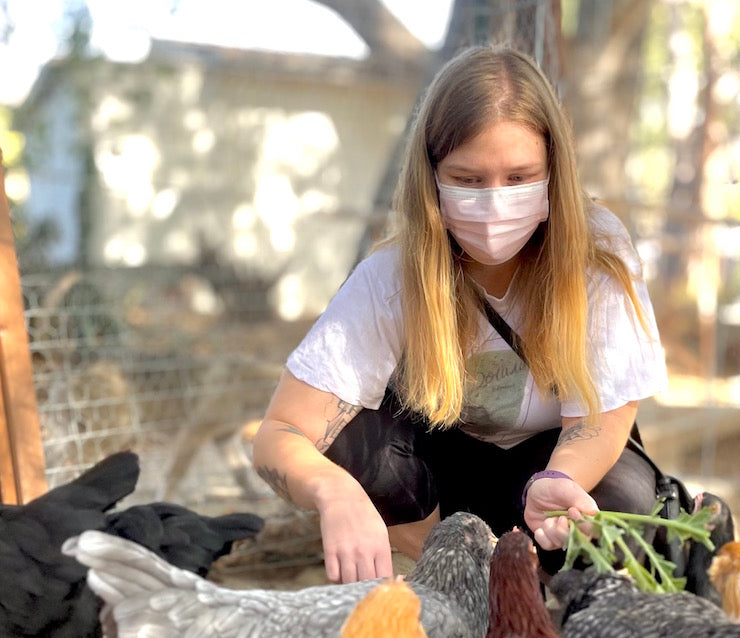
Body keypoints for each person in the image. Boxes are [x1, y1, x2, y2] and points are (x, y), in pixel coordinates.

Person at [252, 44, 669, 584]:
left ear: (554, 174)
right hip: (439, 493)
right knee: (353, 446)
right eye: (468, 180)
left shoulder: (598, 253)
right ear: (431, 179)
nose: (495, 204)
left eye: (519, 178)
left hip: (547, 473)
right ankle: (449, 576)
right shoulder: (391, 278)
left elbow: (601, 417)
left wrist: (559, 480)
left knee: (618, 503)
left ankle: (538, 582)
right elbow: (280, 431)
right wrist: (333, 492)